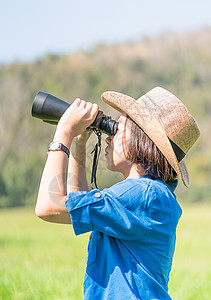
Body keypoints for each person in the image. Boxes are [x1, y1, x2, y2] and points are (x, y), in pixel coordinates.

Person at [35, 87, 200, 299]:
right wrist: (79, 144)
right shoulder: (151, 195)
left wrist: (63, 133)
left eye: (117, 128)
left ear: (142, 140)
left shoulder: (144, 195)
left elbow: (48, 207)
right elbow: (77, 208)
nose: (108, 136)